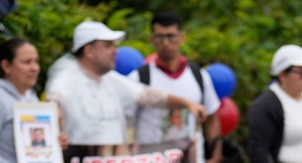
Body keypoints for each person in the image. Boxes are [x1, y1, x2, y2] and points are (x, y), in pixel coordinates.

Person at [47, 20, 207, 146]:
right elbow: (53, 102)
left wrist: (186, 103)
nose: (115, 51)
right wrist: (54, 114)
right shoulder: (66, 78)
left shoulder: (111, 79)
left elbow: (149, 95)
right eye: (108, 46)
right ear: (89, 51)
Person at [129, 10, 223, 163]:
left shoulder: (199, 76)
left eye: (171, 36)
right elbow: (125, 121)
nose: (165, 43)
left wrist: (216, 155)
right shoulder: (139, 78)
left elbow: (212, 117)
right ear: (152, 39)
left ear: (181, 37)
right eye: (159, 37)